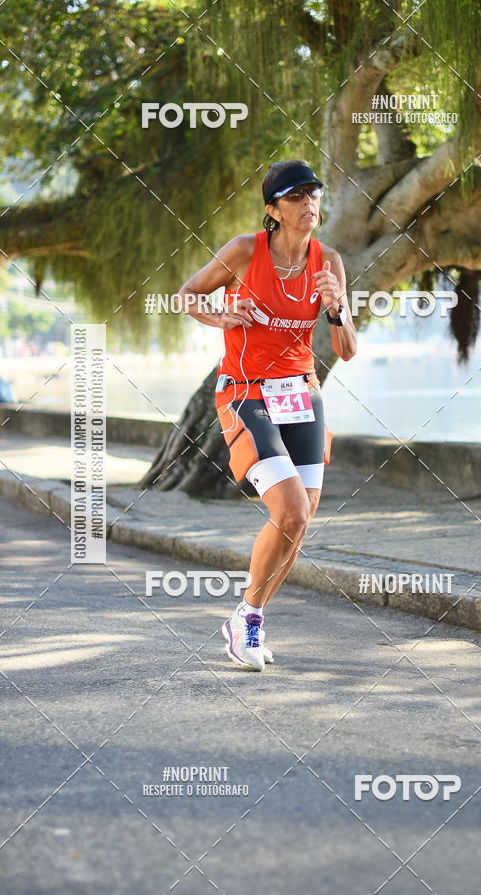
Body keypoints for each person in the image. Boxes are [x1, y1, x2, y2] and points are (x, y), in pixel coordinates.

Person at [179, 159, 357, 670]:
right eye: (297, 195)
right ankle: (248, 618)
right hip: (245, 392)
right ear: (273, 209)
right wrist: (219, 314)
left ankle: (247, 618)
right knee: (291, 510)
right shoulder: (243, 251)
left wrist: (337, 307)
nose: (309, 203)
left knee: (300, 523)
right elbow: (187, 294)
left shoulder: (329, 262)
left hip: (301, 393)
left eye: (314, 193)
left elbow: (345, 350)